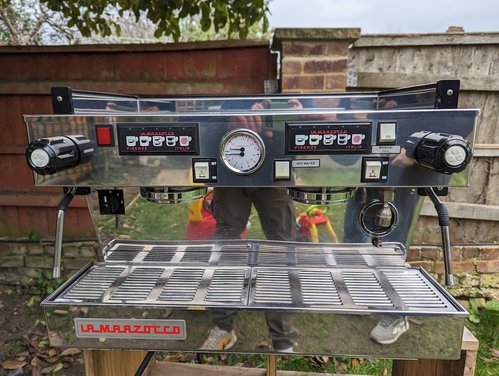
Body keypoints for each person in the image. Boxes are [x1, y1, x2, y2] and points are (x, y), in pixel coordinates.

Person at [200, 99, 301, 352]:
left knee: (281, 251)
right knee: (226, 248)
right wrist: (226, 123)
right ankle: (224, 327)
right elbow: (198, 121)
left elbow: (303, 115)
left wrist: (292, 118)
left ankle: (283, 339)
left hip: (274, 165)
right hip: (228, 162)